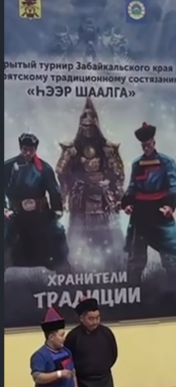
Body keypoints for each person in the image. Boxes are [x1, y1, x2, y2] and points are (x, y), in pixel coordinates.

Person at [55, 98, 125, 270]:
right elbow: (62, 173)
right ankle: (76, 268)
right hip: (80, 197)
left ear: (96, 126)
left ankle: (113, 268)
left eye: (90, 126)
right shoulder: (71, 149)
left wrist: (117, 196)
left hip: (103, 197)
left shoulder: (107, 148)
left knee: (107, 237)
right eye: (84, 126)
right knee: (77, 235)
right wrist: (65, 195)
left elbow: (118, 174)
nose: (87, 130)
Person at [121, 122, 176, 285]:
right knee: (136, 258)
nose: (146, 148)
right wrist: (127, 203)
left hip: (160, 211)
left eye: (148, 144)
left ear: (154, 143)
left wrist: (170, 205)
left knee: (170, 255)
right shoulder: (137, 164)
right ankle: (132, 291)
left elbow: (174, 186)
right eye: (143, 145)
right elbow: (132, 187)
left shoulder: (167, 162)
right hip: (140, 214)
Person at [4, 132, 69, 272]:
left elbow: (53, 190)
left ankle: (62, 268)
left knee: (57, 233)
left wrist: (57, 210)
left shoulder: (44, 168)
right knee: (5, 237)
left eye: (31, 150)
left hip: (40, 214)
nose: (28, 153)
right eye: (25, 149)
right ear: (20, 148)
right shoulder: (7, 167)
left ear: (35, 149)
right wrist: (4, 209)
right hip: (15, 213)